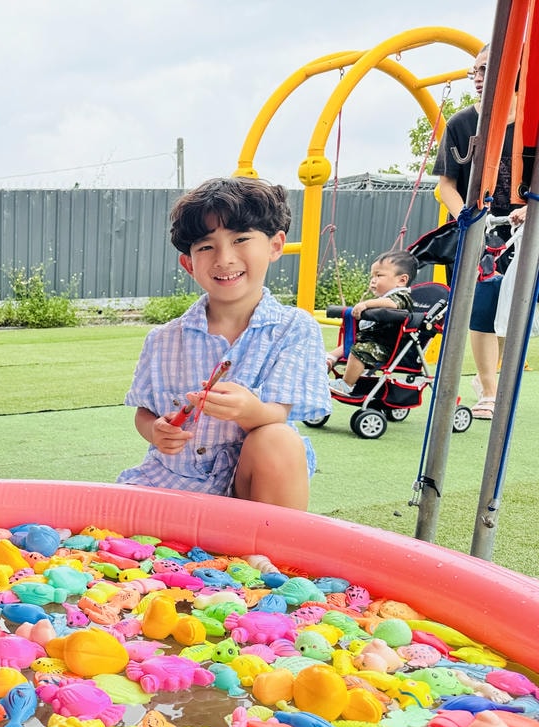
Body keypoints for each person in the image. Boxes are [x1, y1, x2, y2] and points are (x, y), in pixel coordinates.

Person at [117, 177, 330, 510]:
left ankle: (272, 551)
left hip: (248, 489)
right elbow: (145, 411)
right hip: (172, 480)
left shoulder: (294, 328)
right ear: (189, 263)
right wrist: (155, 430)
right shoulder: (162, 339)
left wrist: (250, 411)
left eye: (241, 239)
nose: (224, 258)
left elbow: (279, 413)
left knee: (279, 438)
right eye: (205, 247)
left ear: (275, 245)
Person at [433, 44, 531, 420]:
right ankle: (490, 390)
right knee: (484, 305)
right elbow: (445, 186)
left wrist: (527, 210)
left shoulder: (530, 124)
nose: (476, 79)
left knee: (514, 311)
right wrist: (468, 220)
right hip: (479, 225)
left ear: (514, 72)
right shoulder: (461, 124)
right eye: (473, 71)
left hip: (523, 228)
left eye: (486, 70)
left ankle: (490, 378)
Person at [327, 250, 419, 394]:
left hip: (386, 347)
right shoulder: (382, 299)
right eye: (372, 276)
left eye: (379, 275)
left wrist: (367, 304)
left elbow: (392, 304)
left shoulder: (402, 296)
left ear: (401, 280)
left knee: (359, 350)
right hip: (370, 341)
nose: (373, 280)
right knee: (348, 345)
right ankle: (328, 360)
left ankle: (346, 384)